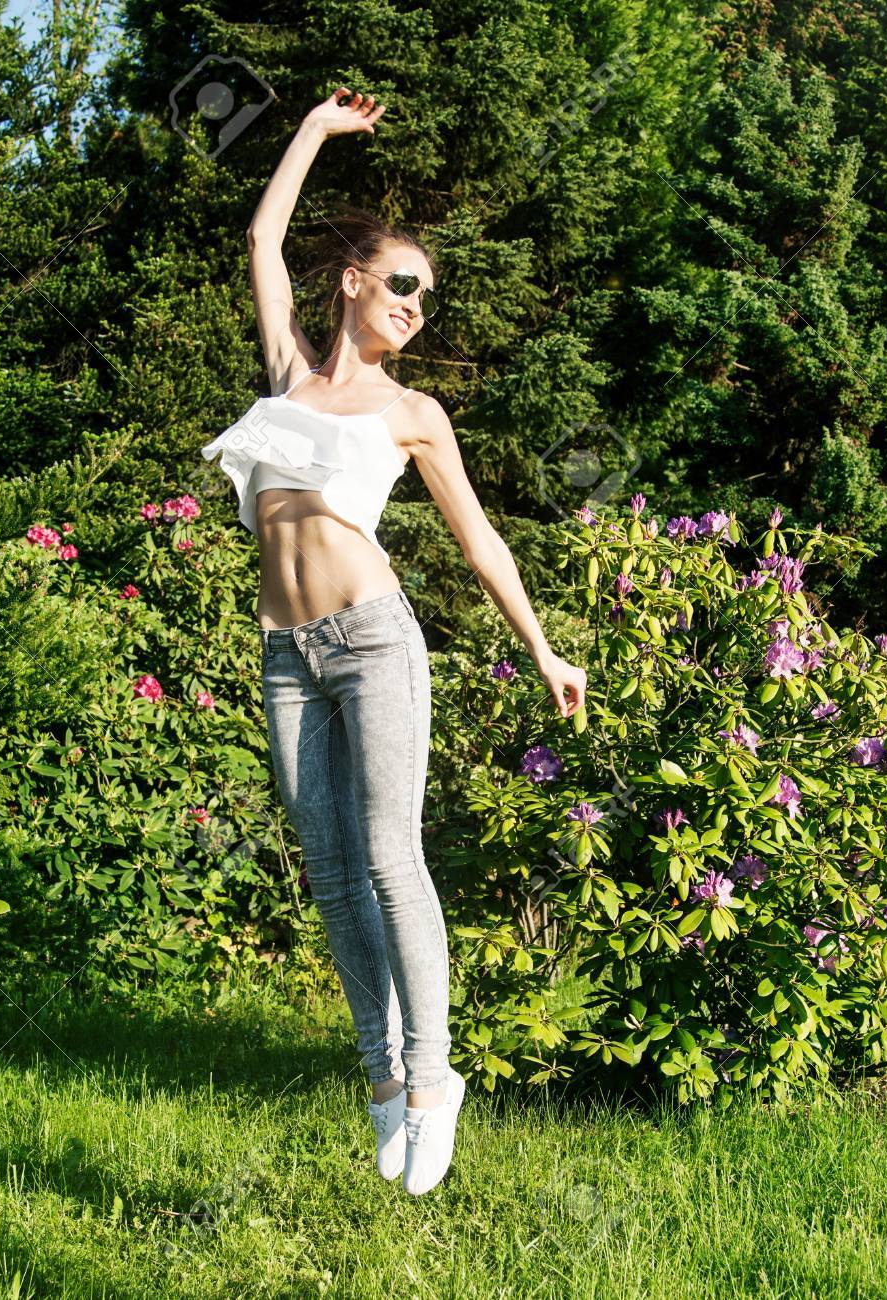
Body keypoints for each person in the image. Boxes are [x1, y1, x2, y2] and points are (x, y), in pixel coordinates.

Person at [201, 86, 587, 1196]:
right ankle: (381, 1075)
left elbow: (480, 541)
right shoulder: (290, 375)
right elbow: (262, 239)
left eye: (428, 296)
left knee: (387, 857)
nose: (418, 306)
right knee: (330, 874)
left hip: (374, 641)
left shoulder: (413, 413)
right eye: (403, 284)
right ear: (353, 283)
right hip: (288, 653)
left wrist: (543, 649)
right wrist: (313, 131)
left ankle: (433, 1081)